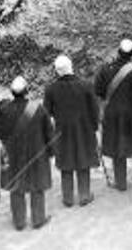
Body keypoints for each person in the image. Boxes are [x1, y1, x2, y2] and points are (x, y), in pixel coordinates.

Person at [0, 76, 55, 231]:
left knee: (16, 188)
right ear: (27, 91)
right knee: (37, 185)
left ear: (12, 92)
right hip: (36, 153)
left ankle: (19, 222)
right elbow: (49, 133)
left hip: (12, 155)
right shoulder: (38, 108)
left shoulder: (3, 110)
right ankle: (38, 219)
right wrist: (51, 152)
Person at [43, 55, 100, 208]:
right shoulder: (86, 85)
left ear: (57, 71)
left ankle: (68, 198)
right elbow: (94, 110)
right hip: (84, 128)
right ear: (71, 67)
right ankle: (84, 195)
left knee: (65, 162)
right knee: (83, 160)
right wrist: (94, 127)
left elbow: (46, 113)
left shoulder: (50, 89)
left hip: (62, 129)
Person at [94, 39, 132, 191]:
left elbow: (98, 92)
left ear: (118, 52)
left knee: (117, 148)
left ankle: (121, 183)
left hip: (112, 115)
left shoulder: (105, 69)